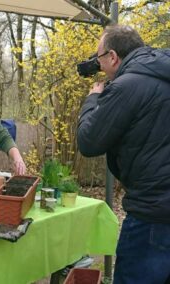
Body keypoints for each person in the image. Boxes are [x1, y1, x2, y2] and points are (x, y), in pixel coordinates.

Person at [77, 25, 170, 284]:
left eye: (99, 58)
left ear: (113, 57)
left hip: (152, 216)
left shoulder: (127, 86)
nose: (98, 65)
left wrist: (93, 100)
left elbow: (88, 141)